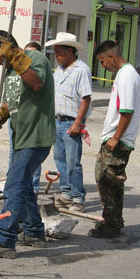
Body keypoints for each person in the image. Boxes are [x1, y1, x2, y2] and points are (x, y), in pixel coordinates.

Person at [0, 30, 55, 259]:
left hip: (36, 136)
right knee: (24, 185)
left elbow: (36, 84)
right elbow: (16, 99)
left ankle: (4, 241)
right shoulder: (11, 69)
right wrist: (1, 115)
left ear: (4, 49)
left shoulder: (34, 59)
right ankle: (34, 233)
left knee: (14, 185)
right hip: (22, 136)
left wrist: (15, 57)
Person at [89, 40, 140, 238]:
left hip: (118, 139)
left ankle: (113, 224)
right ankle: (110, 219)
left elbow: (126, 110)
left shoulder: (127, 75)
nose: (103, 67)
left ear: (111, 57)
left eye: (103, 62)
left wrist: (116, 138)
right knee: (104, 179)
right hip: (114, 137)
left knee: (110, 181)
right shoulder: (124, 74)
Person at [45, 32, 92, 212]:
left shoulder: (81, 69)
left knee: (73, 162)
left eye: (59, 52)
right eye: (55, 52)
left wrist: (78, 122)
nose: (56, 56)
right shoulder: (59, 71)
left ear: (70, 51)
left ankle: (78, 197)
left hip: (71, 122)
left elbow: (85, 98)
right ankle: (66, 192)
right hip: (56, 121)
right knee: (60, 159)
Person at [7, 42, 43, 193]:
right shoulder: (13, 72)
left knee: (30, 154)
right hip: (15, 118)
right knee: (14, 152)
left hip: (32, 121)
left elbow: (37, 87)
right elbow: (9, 95)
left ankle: (32, 186)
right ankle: (13, 182)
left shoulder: (38, 72)